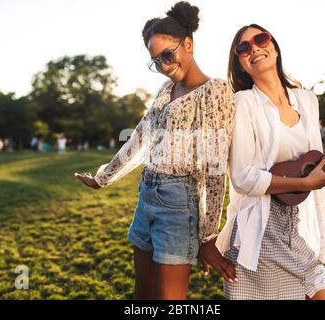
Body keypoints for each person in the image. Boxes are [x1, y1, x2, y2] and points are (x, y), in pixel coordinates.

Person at [74, 1, 236, 299]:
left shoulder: (215, 91)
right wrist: (103, 177)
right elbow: (140, 137)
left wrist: (209, 236)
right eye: (155, 60)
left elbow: (215, 168)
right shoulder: (165, 90)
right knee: (142, 295)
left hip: (179, 205)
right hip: (147, 194)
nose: (163, 65)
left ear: (188, 44)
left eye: (167, 54)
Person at [214, 24, 325, 300]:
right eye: (243, 47)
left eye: (260, 39)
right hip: (260, 234)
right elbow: (242, 177)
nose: (253, 47)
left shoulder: (307, 100)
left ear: (274, 48)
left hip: (293, 228)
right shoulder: (243, 103)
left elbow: (309, 164)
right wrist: (304, 182)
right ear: (240, 64)